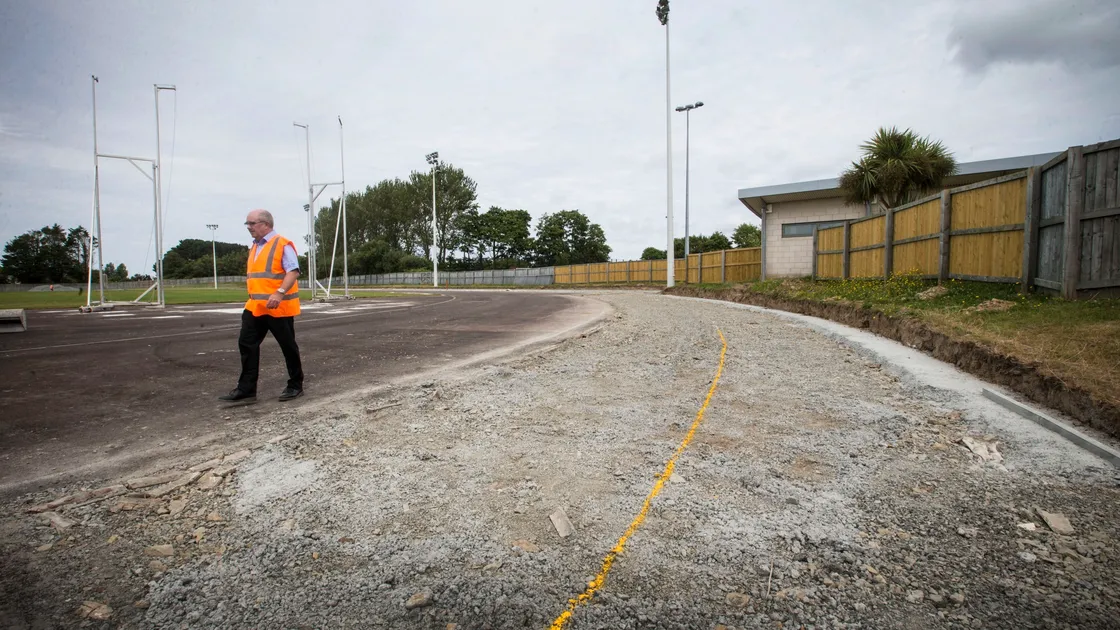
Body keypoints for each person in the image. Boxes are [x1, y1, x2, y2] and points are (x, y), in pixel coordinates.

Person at [220, 209, 304, 403]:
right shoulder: (254, 247)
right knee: (246, 344)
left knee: (288, 346)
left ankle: (295, 385)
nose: (249, 227)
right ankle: (247, 389)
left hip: (278, 308)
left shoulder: (282, 244)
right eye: (247, 224)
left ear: (265, 224)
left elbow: (293, 271)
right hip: (255, 307)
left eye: (252, 223)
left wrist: (279, 292)